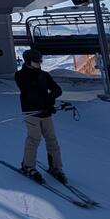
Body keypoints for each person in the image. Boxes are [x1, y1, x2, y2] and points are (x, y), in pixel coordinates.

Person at [14, 49, 66, 183]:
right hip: (31, 112)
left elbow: (57, 89)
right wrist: (46, 102)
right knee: (34, 139)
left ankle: (56, 167)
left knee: (52, 140)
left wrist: (50, 99)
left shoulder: (44, 75)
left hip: (45, 112)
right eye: (36, 61)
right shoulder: (21, 75)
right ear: (28, 61)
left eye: (40, 60)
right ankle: (28, 166)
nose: (39, 63)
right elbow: (30, 92)